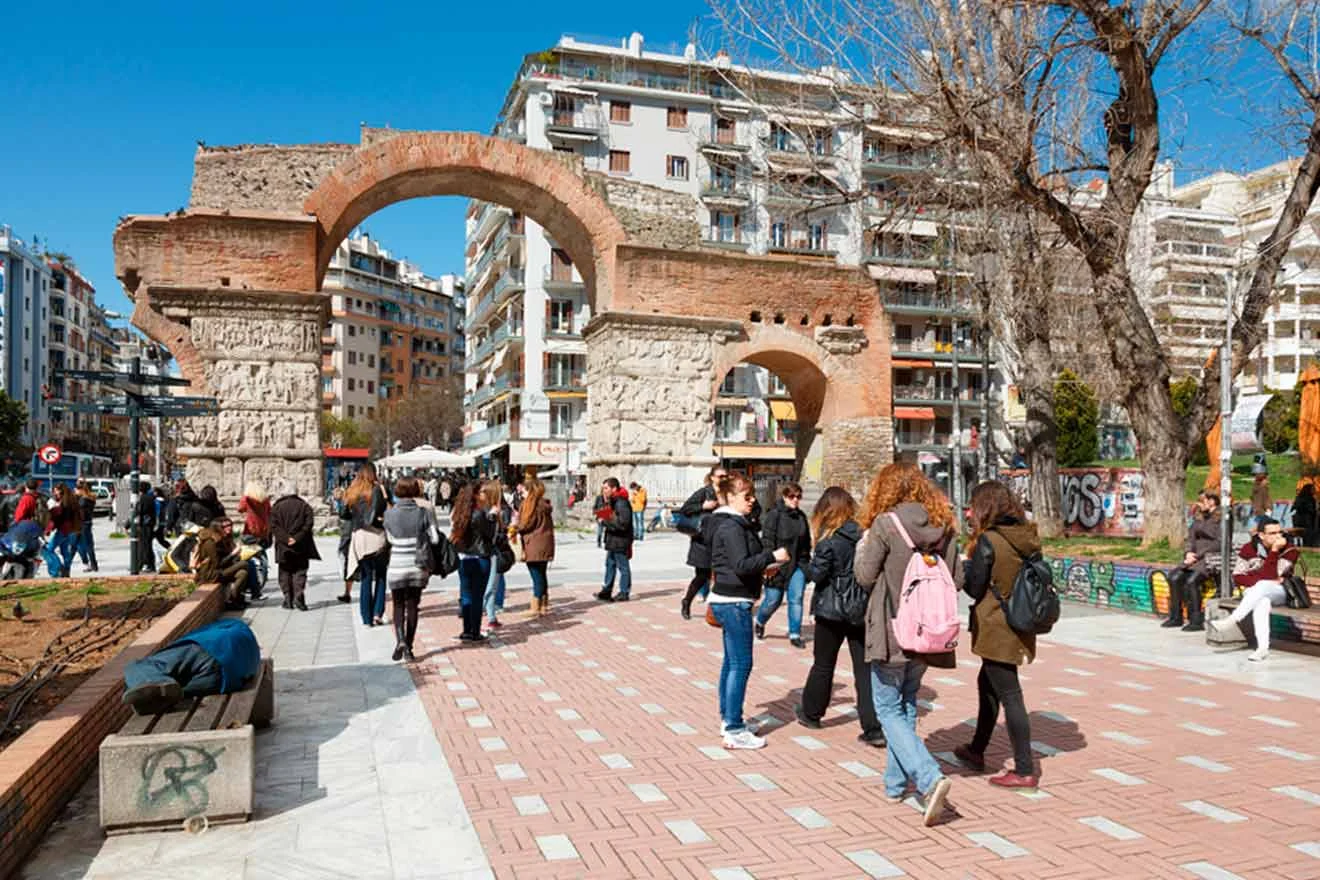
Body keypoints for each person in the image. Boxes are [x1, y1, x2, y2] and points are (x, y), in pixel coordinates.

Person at [853, 463, 958, 826]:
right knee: (907, 704)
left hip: (891, 631)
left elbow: (865, 577)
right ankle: (896, 784)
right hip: (930, 634)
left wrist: (863, 547)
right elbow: (956, 579)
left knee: (887, 710)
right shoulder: (944, 524)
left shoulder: (885, 524)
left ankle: (929, 779)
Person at [956, 480, 1042, 790]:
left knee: (1010, 694)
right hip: (1018, 620)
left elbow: (975, 587)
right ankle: (977, 749)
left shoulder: (990, 541)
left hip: (996, 624)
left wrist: (962, 568)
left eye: (972, 505)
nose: (968, 512)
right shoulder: (1026, 536)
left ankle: (1024, 768)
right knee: (988, 684)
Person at [794, 486, 884, 746]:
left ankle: (812, 713)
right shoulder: (865, 537)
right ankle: (873, 727)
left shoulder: (828, 541)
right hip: (860, 609)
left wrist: (802, 562)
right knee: (864, 669)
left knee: (823, 664)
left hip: (831, 610)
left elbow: (817, 575)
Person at [709, 473, 790, 750]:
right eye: (747, 496)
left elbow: (740, 564)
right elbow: (741, 564)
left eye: (752, 494)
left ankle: (730, 718)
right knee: (741, 664)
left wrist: (765, 566)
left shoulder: (735, 524)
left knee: (732, 662)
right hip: (733, 603)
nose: (752, 500)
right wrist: (772, 557)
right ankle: (733, 727)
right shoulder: (731, 527)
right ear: (731, 497)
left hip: (730, 599)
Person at [122, 618, 261, 715]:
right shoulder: (244, 636)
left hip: (210, 652)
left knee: (138, 666)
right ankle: (154, 693)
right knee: (174, 688)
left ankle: (152, 683)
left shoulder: (217, 630)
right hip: (222, 681)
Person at [1210, 516, 1299, 661]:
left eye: (1280, 532)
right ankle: (1262, 648)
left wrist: (1275, 550)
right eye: (1273, 533)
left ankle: (1232, 620)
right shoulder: (1249, 548)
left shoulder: (1289, 550)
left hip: (1280, 592)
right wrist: (1260, 577)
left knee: (1263, 585)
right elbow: (1238, 576)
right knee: (1262, 601)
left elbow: (1271, 576)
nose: (1278, 536)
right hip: (1255, 591)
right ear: (1261, 535)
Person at [383, 477, 441, 661]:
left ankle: (399, 639)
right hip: (418, 564)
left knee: (398, 604)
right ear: (416, 490)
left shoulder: (389, 514)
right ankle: (409, 646)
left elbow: (390, 539)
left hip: (397, 564)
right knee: (413, 605)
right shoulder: (423, 512)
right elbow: (435, 539)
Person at [755, 483, 812, 647]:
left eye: (798, 497)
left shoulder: (801, 517)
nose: (795, 500)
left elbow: (806, 542)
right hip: (777, 564)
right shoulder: (774, 515)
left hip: (797, 564)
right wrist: (769, 562)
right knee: (773, 600)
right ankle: (760, 620)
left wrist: (806, 565)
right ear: (784, 497)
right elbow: (767, 540)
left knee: (796, 598)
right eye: (792, 496)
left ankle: (795, 634)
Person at [1163, 491, 1222, 632]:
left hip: (1210, 558)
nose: (1199, 504)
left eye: (1202, 501)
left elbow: (1220, 543)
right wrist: (1188, 552)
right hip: (1194, 557)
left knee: (1191, 581)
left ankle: (1196, 619)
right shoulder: (1199, 517)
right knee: (1174, 577)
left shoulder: (1222, 518)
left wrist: (1197, 555)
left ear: (1212, 501)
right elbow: (1191, 538)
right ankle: (1175, 616)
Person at [345, 463, 390, 627]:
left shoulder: (352, 491)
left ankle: (366, 617)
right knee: (380, 575)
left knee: (365, 577)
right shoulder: (377, 490)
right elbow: (382, 510)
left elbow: (344, 514)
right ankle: (377, 612)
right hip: (375, 534)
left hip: (359, 536)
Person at [679, 466, 726, 619]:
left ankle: (717, 611)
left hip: (722, 541)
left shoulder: (729, 493)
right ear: (712, 477)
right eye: (720, 476)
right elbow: (685, 509)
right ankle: (687, 601)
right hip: (703, 542)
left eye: (726, 476)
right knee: (702, 576)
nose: (723, 479)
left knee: (722, 576)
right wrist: (703, 506)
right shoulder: (704, 492)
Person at [451, 484, 497, 641]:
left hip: (464, 558)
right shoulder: (479, 514)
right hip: (480, 557)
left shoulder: (459, 514)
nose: (485, 495)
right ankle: (475, 631)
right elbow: (489, 534)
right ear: (476, 495)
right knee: (477, 596)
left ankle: (466, 630)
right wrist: (492, 517)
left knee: (466, 594)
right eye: (482, 492)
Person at [270, 482, 319, 611]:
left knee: (285, 571)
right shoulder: (304, 506)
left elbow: (274, 526)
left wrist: (286, 539)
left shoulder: (276, 507)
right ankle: (298, 594)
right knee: (300, 571)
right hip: (301, 545)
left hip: (283, 546)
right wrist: (296, 538)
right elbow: (309, 524)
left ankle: (287, 598)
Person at [517, 476, 556, 616]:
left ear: (531, 490)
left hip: (533, 544)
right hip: (544, 543)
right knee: (541, 574)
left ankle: (536, 606)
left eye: (525, 490)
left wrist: (516, 527)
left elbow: (526, 524)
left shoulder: (531, 505)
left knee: (536, 576)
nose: (522, 492)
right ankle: (544, 605)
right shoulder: (544, 504)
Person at [194, 516, 249, 609]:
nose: (229, 528)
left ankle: (233, 600)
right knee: (244, 564)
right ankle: (236, 600)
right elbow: (217, 564)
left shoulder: (224, 540)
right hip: (211, 574)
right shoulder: (210, 543)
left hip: (220, 570)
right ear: (218, 529)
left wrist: (234, 555)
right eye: (225, 527)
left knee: (242, 573)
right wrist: (233, 554)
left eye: (230, 525)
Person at [595, 477, 635, 602]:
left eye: (606, 488)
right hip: (613, 540)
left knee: (623, 566)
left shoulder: (621, 502)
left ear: (614, 488)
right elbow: (603, 513)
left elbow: (623, 523)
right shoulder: (612, 501)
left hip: (620, 540)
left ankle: (624, 592)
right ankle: (606, 590)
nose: (604, 491)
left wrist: (605, 521)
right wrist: (603, 513)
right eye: (603, 488)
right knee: (610, 564)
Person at [481, 480, 513, 629]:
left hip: (493, 552)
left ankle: (491, 616)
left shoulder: (499, 510)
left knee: (491, 586)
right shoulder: (485, 511)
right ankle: (484, 614)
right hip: (485, 553)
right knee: (488, 586)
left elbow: (497, 534)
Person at [42, 484, 82, 578]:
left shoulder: (63, 504)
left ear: (61, 491)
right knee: (65, 552)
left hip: (63, 531)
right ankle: (66, 571)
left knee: (48, 550)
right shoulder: (71, 502)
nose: (54, 493)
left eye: (55, 491)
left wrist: (48, 527)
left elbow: (57, 517)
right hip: (69, 531)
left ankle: (58, 569)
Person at [75, 479, 99, 573]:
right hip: (88, 523)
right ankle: (93, 564)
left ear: (81, 490)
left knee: (77, 544)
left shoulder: (82, 500)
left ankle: (87, 563)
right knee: (89, 545)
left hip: (81, 524)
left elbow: (79, 512)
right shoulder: (91, 498)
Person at [136, 483, 160, 573]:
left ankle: (144, 564)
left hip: (145, 525)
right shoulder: (151, 498)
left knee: (144, 545)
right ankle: (150, 565)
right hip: (150, 524)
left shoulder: (144, 498)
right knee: (148, 545)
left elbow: (141, 511)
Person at [1292, 483, 1317, 548]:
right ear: (1308, 490)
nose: (1315, 490)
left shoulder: (1298, 497)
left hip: (1297, 520)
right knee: (1308, 535)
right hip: (1307, 520)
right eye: (1313, 489)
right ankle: (1308, 546)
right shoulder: (1310, 499)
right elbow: (1312, 510)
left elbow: (1293, 508)